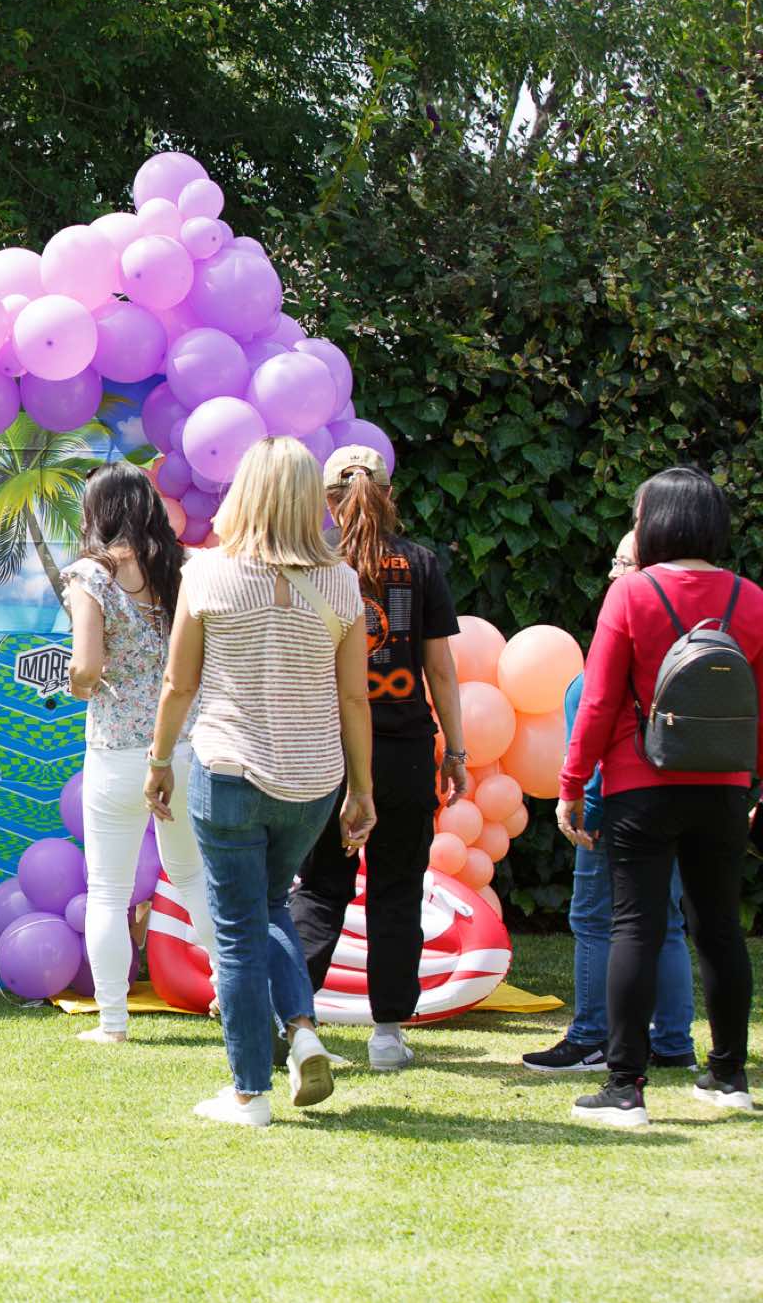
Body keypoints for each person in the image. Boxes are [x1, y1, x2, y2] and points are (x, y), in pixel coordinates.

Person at [144, 437, 374, 1127]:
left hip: (230, 771)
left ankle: (249, 1092)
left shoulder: (207, 574)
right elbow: (354, 698)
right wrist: (362, 789)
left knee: (239, 931)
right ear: (309, 499)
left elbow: (178, 683)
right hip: (313, 781)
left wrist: (159, 760)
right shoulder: (342, 582)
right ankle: (301, 1031)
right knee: (271, 904)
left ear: (244, 492)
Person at [557, 467, 761, 1126]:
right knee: (720, 929)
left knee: (635, 928)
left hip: (639, 786)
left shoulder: (632, 594)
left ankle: (625, 1087)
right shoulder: (752, 599)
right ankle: (728, 1075)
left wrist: (572, 784)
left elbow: (598, 701)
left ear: (658, 522)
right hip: (723, 788)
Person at [286, 446, 466, 1072]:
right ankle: (388, 1034)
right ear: (389, 494)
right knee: (397, 890)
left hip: (329, 752)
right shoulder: (420, 564)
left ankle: (291, 1020)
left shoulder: (313, 565)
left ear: (327, 501)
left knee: (319, 889)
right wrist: (456, 751)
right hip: (406, 753)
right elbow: (440, 668)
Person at [524, 530, 697, 1076]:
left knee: (593, 919)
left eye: (622, 563)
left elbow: (598, 736)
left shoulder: (617, 645)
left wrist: (586, 808)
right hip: (678, 801)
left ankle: (591, 1036)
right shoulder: (677, 647)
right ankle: (674, 1042)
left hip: (614, 807)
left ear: (645, 571)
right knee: (666, 922)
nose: (611, 574)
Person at [62, 461, 215, 1043]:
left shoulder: (91, 575)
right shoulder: (186, 568)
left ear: (97, 512)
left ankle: (113, 1022)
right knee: (195, 879)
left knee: (108, 890)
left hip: (117, 751)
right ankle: (236, 994)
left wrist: (78, 686)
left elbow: (86, 667)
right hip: (183, 746)